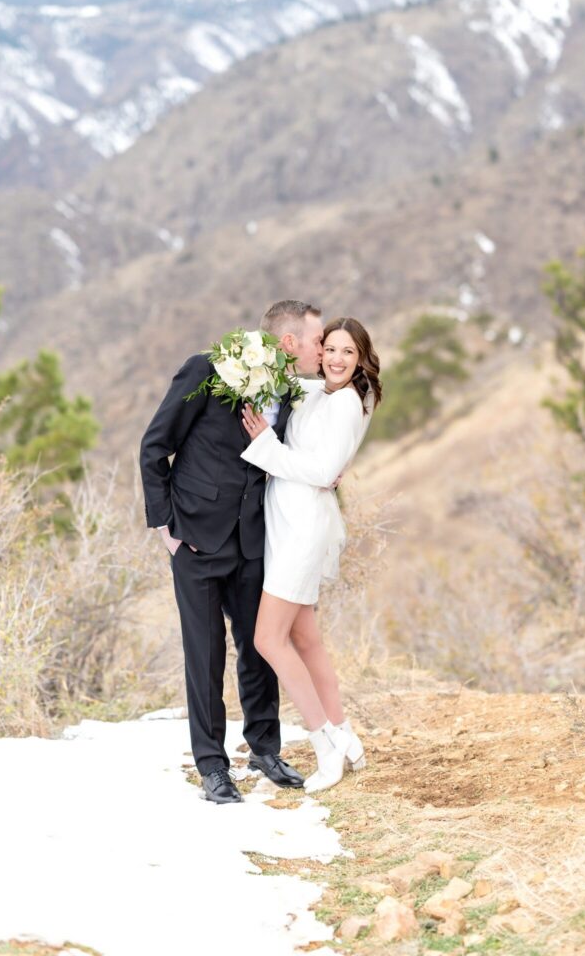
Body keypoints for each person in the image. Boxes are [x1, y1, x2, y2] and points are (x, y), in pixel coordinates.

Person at [139, 300, 324, 803]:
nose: (322, 348)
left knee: (260, 647)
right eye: (316, 339)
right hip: (195, 537)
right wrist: (165, 527)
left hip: (254, 538)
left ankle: (265, 749)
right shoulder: (208, 368)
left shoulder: (291, 388)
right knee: (205, 655)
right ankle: (213, 767)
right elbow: (155, 445)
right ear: (289, 343)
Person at [240, 317, 383, 792]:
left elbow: (323, 471)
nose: (338, 359)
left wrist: (264, 445)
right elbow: (288, 379)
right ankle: (344, 735)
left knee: (268, 639)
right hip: (285, 520)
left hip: (302, 529)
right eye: (330, 349)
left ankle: (324, 746)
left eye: (348, 352)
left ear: (361, 358)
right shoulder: (319, 390)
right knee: (306, 639)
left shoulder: (345, 403)